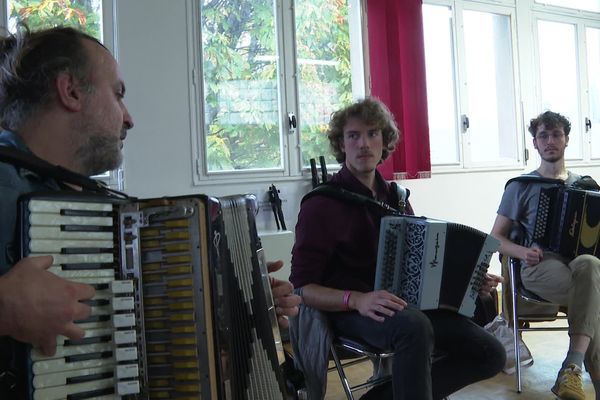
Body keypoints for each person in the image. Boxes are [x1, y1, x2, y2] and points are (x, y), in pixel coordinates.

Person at [0, 25, 300, 394]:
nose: (129, 118)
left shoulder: (99, 211)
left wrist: (237, 309)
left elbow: (133, 340)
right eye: (118, 95)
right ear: (71, 90)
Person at [290, 97, 505, 400]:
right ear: (342, 144)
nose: (363, 143)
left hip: (402, 308)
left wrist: (469, 283)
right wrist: (357, 300)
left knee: (490, 353)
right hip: (347, 310)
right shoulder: (322, 204)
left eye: (372, 133)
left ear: (384, 141)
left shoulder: (397, 198)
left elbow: (423, 265)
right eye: (354, 135)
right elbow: (301, 288)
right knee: (413, 326)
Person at [492, 110, 600, 400]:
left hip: (579, 265)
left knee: (590, 265)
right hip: (539, 266)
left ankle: (571, 369)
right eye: (543, 135)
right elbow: (494, 238)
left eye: (556, 135)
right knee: (593, 295)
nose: (550, 140)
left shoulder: (587, 186)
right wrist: (523, 251)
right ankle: (580, 375)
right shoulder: (521, 186)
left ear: (566, 141)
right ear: (535, 144)